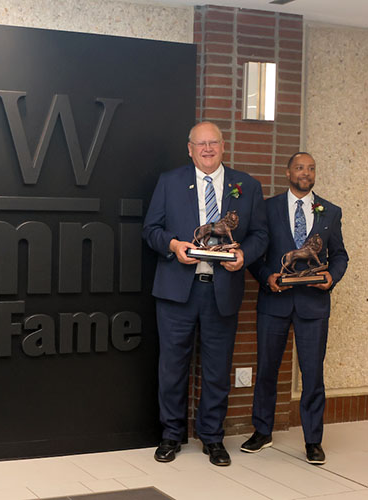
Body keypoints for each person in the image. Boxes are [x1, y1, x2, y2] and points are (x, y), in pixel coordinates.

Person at [143, 121, 268, 466]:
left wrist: (244, 257)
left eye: (213, 143)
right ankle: (171, 435)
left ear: (223, 146)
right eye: (201, 144)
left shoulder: (247, 186)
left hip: (221, 291)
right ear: (189, 149)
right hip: (176, 291)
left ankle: (212, 437)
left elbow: (260, 235)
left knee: (216, 369)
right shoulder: (169, 182)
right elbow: (150, 229)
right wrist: (171, 244)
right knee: (172, 368)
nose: (208, 149)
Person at [241, 152, 348, 465]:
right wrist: (265, 277)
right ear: (288, 172)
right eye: (300, 167)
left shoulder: (330, 211)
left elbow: (340, 255)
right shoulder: (267, 207)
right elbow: (256, 255)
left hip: (314, 305)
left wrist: (331, 277)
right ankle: (262, 431)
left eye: (311, 168)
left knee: (313, 374)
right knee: (267, 370)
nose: (306, 172)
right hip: (274, 301)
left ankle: (313, 440)